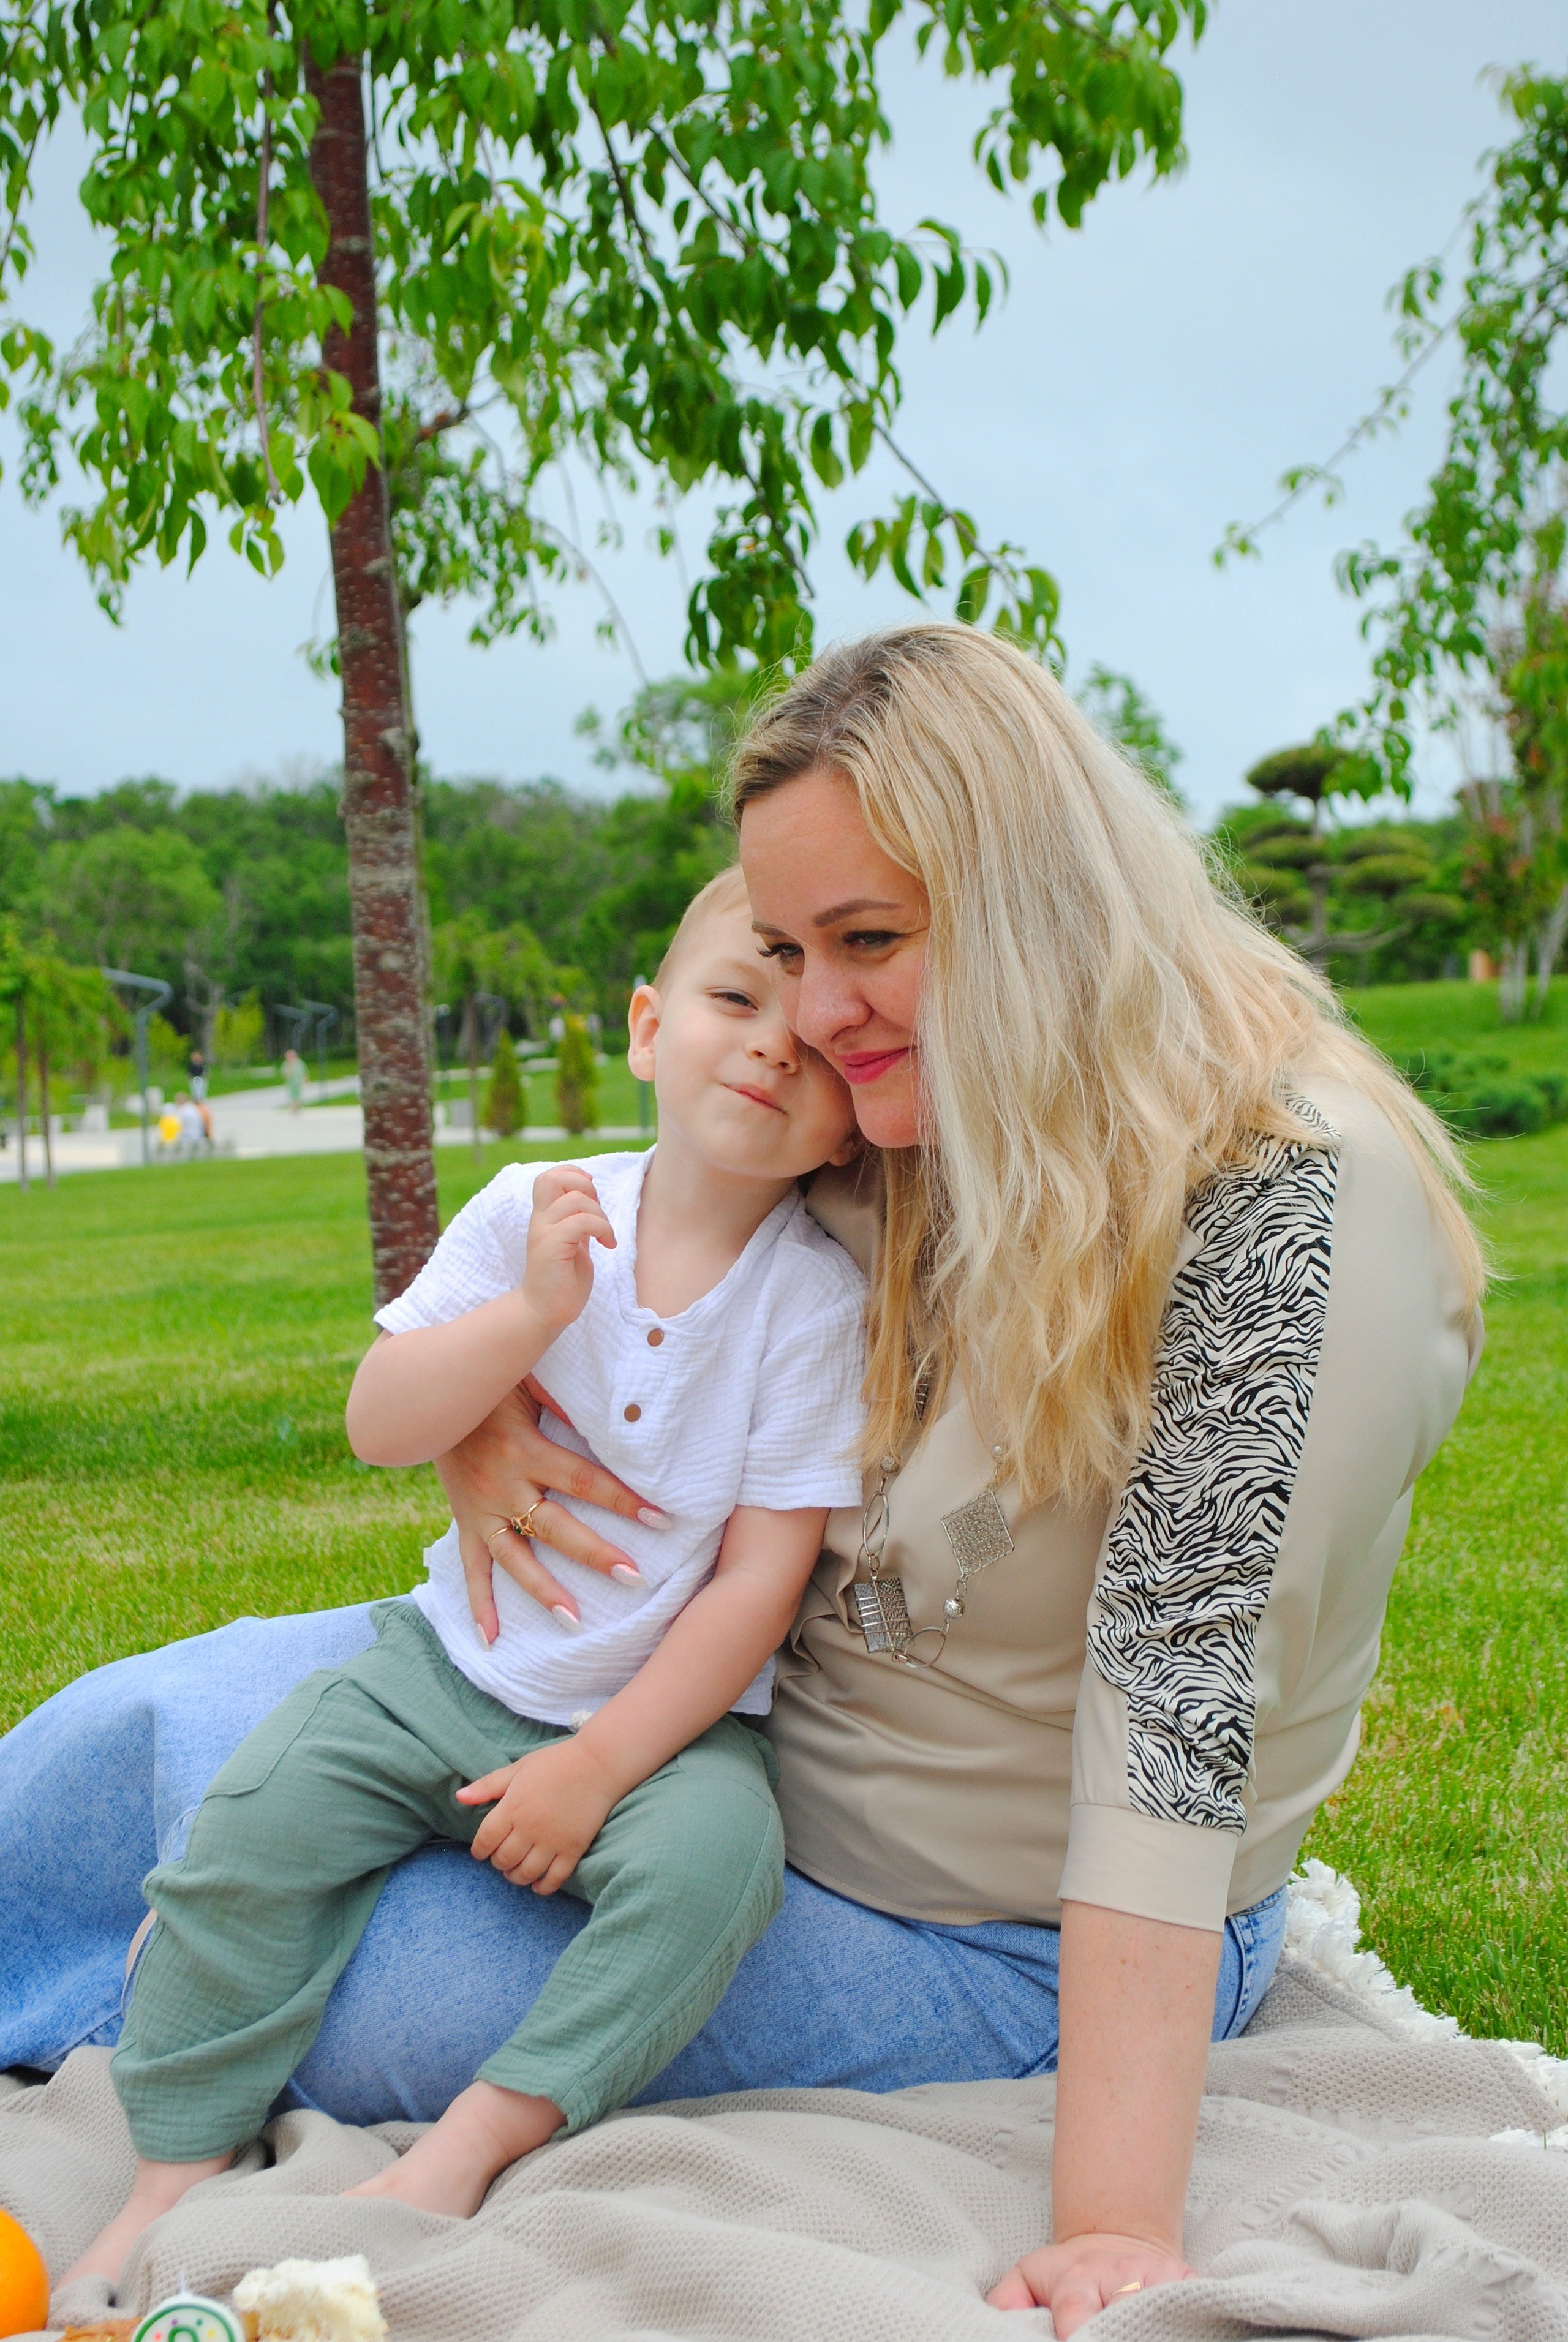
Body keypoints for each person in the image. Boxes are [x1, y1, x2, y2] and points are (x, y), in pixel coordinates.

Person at [1, 627, 1482, 2339]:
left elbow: (1180, 1713)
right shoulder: (919, 1092)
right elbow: (669, 1259)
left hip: (968, 1917)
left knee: (349, 1974)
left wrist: (1113, 2226)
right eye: (785, 948)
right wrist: (486, 1412)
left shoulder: (1297, 1201)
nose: (816, 1012)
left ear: (1036, 903)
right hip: (666, 1687)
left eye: (869, 942)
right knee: (161, 1725)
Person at [66, 870, 867, 2286]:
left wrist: (603, 1765)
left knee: (716, 1870)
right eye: (733, 1002)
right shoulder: (527, 1213)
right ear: (643, 1024)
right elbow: (383, 1423)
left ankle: (472, 2144)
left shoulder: (812, 1302)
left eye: (806, 1042)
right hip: (448, 1668)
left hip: (663, 1729)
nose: (764, 1047)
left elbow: (757, 1583)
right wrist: (534, 1313)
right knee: (248, 1824)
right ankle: (171, 2168)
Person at [282, 1046, 305, 1113]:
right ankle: (294, 1107)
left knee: (298, 1095)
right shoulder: (286, 1064)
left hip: (298, 1082)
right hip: (291, 1083)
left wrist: (304, 1079)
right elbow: (285, 1074)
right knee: (292, 1095)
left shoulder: (299, 1063)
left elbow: (303, 1071)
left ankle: (297, 1107)